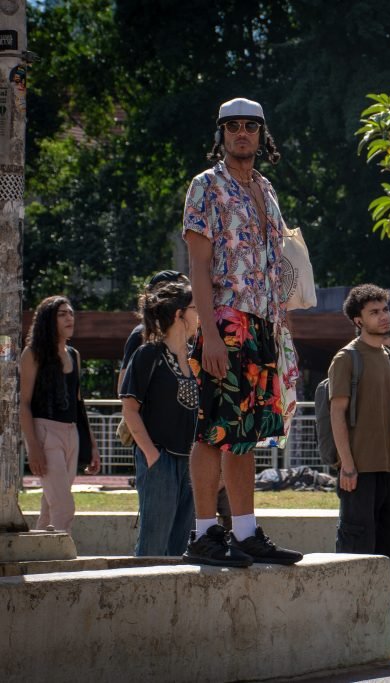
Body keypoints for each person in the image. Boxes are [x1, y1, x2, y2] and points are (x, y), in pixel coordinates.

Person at [181, 97, 302, 567]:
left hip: (264, 325)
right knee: (214, 429)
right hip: (226, 320)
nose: (241, 133)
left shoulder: (266, 188)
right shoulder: (205, 186)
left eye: (250, 125)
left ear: (262, 133)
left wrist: (281, 329)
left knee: (247, 435)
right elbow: (198, 263)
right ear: (221, 135)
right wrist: (209, 333)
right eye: (231, 126)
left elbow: (277, 264)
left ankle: (245, 532)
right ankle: (205, 533)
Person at [328, 284, 390, 621]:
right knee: (358, 539)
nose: (383, 316)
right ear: (358, 320)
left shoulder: (388, 355)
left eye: (384, 310)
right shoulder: (347, 358)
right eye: (374, 312)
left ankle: (386, 601)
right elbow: (337, 414)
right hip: (358, 467)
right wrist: (347, 466)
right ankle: (354, 605)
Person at [119, 282, 199, 556]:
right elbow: (129, 408)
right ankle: (140, 599)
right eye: (195, 308)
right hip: (160, 459)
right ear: (179, 314)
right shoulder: (148, 354)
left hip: (191, 464)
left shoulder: (196, 358)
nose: (201, 315)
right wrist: (152, 455)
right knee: (153, 546)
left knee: (181, 547)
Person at [20, 296, 100, 531]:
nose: (69, 318)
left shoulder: (74, 354)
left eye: (71, 313)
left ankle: (38, 556)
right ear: (48, 319)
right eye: (62, 313)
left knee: (51, 503)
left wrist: (92, 445)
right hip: (44, 431)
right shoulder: (32, 353)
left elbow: (78, 402)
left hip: (72, 432)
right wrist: (33, 446)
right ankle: (64, 560)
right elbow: (23, 402)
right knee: (63, 505)